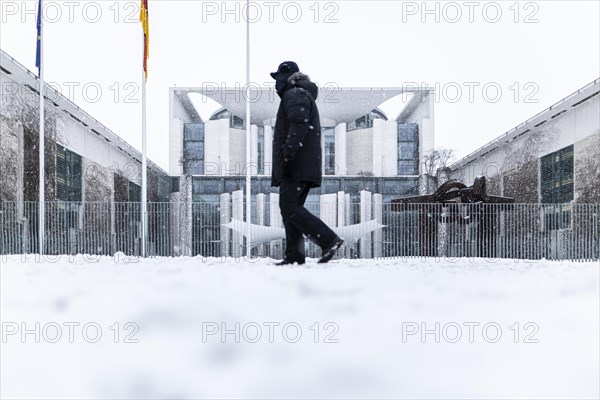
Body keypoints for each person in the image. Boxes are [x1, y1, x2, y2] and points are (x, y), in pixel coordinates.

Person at [270, 61, 344, 265]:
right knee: (290, 208)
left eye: (278, 78)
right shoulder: (298, 93)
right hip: (299, 162)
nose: (276, 83)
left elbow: (299, 124)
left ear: (287, 76)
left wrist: (288, 153)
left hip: (296, 163)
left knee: (289, 206)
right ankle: (294, 255)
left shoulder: (295, 94)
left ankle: (329, 240)